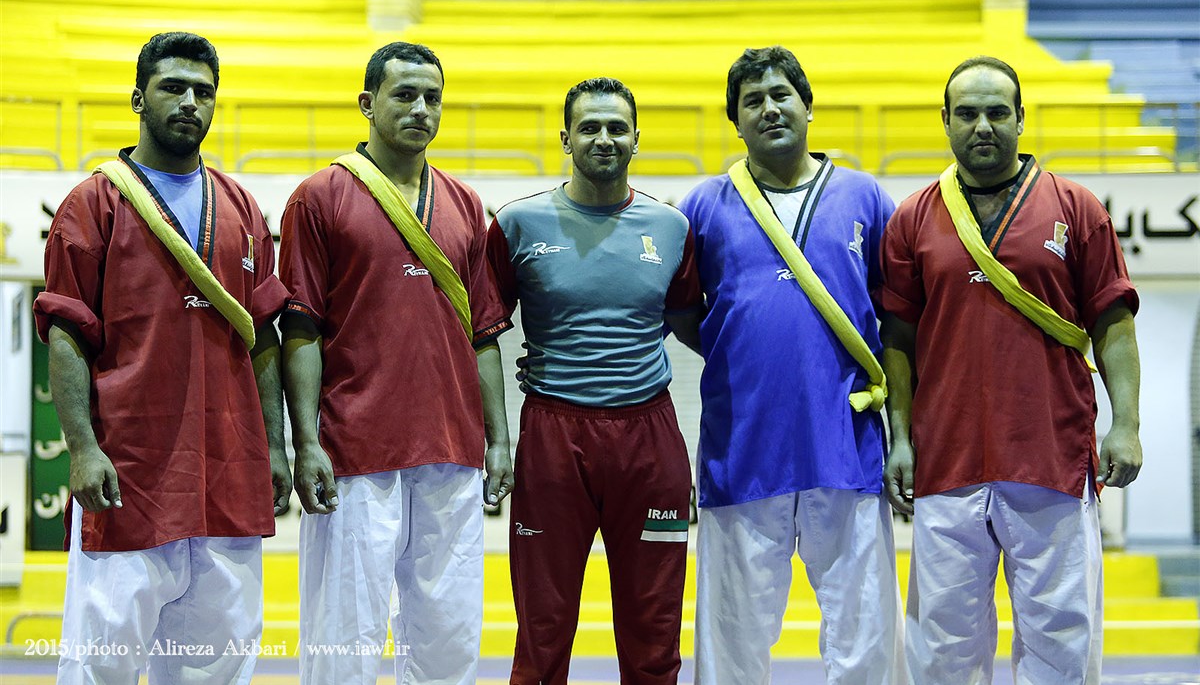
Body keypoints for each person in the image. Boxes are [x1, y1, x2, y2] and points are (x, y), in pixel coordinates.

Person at [35, 31, 291, 684]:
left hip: (228, 473)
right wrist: (82, 449)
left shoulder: (241, 207)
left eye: (204, 91)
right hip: (128, 475)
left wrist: (276, 446)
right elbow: (65, 333)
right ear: (138, 99)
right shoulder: (93, 204)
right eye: (173, 87)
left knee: (217, 669)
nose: (190, 102)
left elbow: (262, 335)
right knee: (103, 668)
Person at [880, 56, 1142, 684]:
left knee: (1060, 637)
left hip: (1051, 454)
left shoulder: (1076, 207)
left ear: (1021, 119)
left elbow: (1114, 322)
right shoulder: (913, 217)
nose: (983, 126)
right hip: (948, 459)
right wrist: (901, 438)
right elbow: (897, 341)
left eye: (997, 112)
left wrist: (1127, 425)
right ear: (945, 121)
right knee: (942, 645)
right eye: (967, 113)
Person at [278, 41, 514, 685]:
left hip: (453, 450)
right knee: (343, 636)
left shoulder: (465, 204)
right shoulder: (319, 197)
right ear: (367, 103)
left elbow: (484, 335)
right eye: (404, 95)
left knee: (449, 636)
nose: (420, 109)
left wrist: (498, 438)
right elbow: (300, 328)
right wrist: (305, 443)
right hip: (355, 449)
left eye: (432, 97)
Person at [675, 46, 904, 684]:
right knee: (732, 636)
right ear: (736, 121)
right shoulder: (705, 205)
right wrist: (743, 354)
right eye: (753, 101)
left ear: (808, 106)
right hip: (741, 446)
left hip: (846, 442)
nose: (770, 109)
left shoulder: (864, 196)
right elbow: (685, 313)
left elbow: (897, 317)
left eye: (782, 95)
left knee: (864, 629)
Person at [485, 77, 702, 685]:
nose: (604, 138)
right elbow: (479, 333)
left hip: (650, 440)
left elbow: (694, 325)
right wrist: (495, 437)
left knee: (655, 630)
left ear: (637, 138)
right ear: (566, 139)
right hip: (553, 440)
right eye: (589, 127)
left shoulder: (672, 228)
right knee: (542, 630)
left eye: (616, 128)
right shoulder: (516, 224)